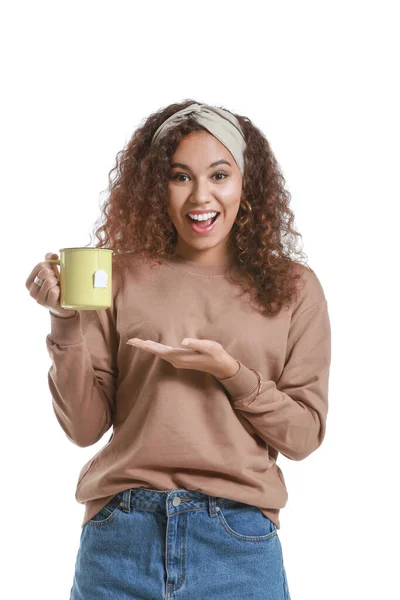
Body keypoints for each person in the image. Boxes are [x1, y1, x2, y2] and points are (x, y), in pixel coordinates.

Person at [26, 100, 331, 599]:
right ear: (156, 187)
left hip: (238, 547)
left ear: (246, 183)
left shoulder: (295, 288)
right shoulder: (117, 274)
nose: (200, 197)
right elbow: (83, 428)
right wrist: (64, 319)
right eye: (180, 177)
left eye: (219, 175)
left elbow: (304, 435)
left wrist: (231, 373)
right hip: (120, 543)